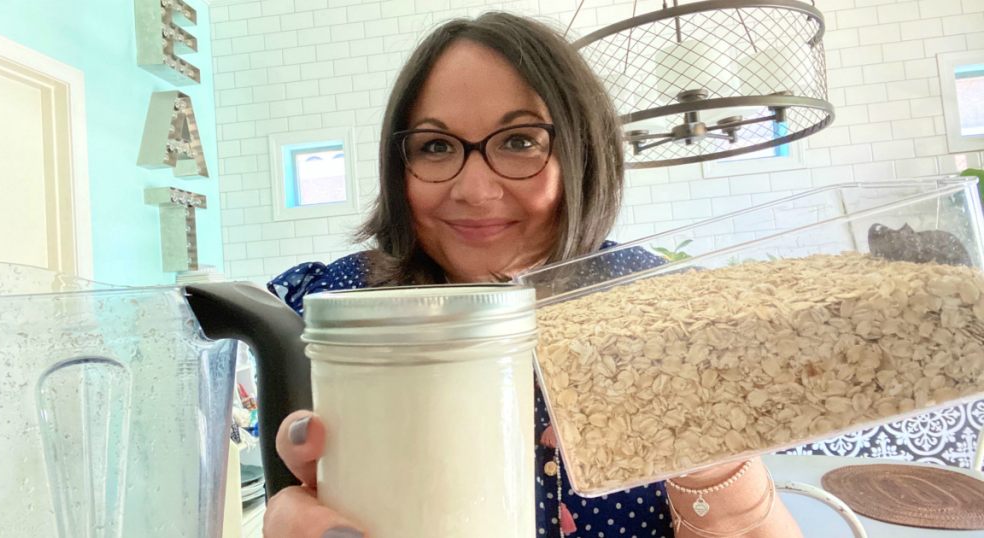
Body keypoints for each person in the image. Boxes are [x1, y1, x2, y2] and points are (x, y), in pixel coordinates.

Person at [264, 12, 803, 538]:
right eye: (435, 146)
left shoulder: (656, 306)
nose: (474, 191)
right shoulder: (339, 311)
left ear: (582, 154)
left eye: (520, 141)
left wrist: (710, 463)